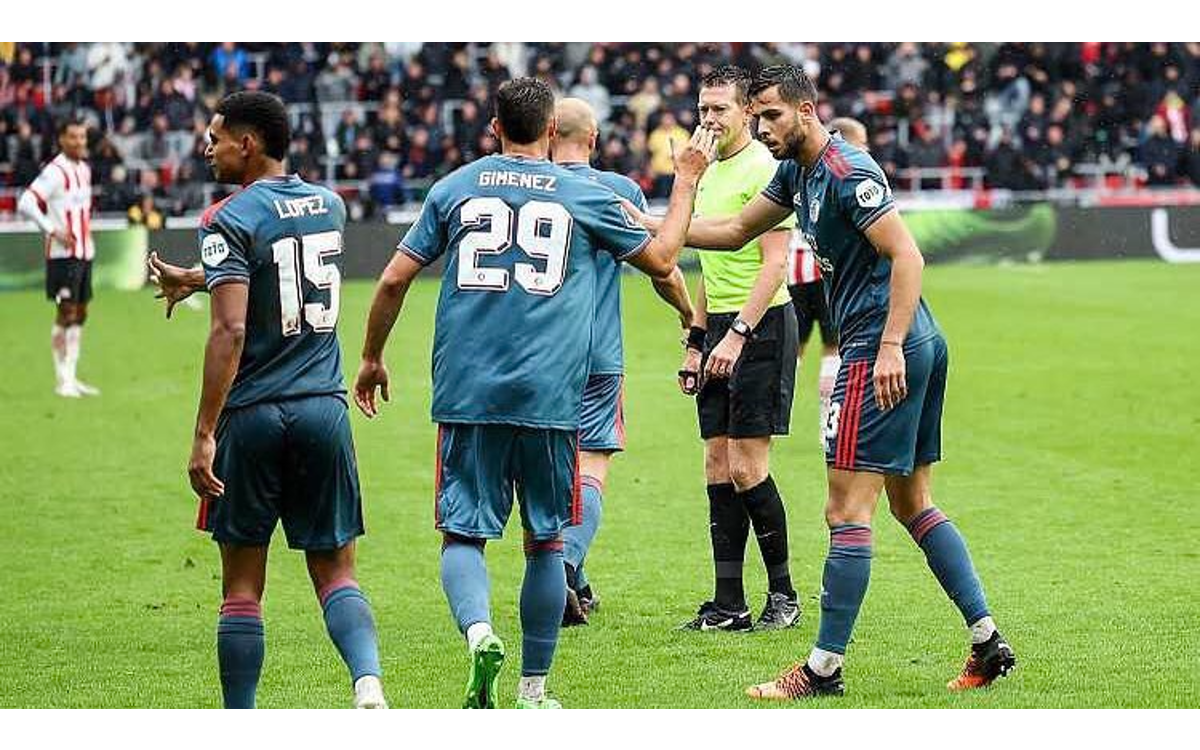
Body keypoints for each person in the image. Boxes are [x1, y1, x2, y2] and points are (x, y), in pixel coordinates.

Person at [632, 65, 1015, 699]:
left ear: (807, 111)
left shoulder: (846, 171)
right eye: (757, 118)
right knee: (911, 503)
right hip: (910, 343)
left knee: (845, 511)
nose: (763, 129)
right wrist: (651, 222)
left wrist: (888, 346)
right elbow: (730, 233)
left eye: (773, 116)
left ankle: (822, 669)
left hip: (881, 348)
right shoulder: (795, 171)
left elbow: (907, 255)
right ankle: (987, 641)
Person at [353, 77, 714, 709]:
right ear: (552, 132)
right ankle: (534, 689)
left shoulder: (456, 187)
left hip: (467, 391)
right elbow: (661, 260)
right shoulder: (583, 191)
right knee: (547, 541)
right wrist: (684, 179)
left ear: (494, 128)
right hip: (553, 392)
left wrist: (371, 357)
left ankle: (480, 634)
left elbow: (392, 279)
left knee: (462, 536)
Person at [161, 91, 387, 710]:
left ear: (249, 143)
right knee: (337, 573)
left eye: (216, 137)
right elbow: (283, 262)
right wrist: (197, 275)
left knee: (241, 589)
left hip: (254, 416)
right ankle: (368, 686)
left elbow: (231, 328)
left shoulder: (224, 218)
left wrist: (204, 431)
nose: (208, 148)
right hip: (322, 408)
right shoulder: (332, 206)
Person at [550, 97, 696, 626]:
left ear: (546, 136)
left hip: (533, 358)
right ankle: (564, 567)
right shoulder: (617, 191)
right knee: (590, 469)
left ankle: (577, 582)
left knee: (548, 474)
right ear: (593, 140)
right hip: (596, 354)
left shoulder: (524, 189)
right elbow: (662, 267)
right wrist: (687, 314)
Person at [678, 66, 802, 633]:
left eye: (719, 110)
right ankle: (729, 603)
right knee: (715, 464)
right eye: (703, 109)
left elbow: (774, 265)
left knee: (748, 467)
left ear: (746, 112)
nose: (708, 119)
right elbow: (710, 266)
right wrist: (696, 338)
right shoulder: (703, 172)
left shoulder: (768, 170)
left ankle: (784, 595)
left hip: (764, 325)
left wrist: (737, 334)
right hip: (722, 330)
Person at [788, 117, 867, 444]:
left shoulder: (803, 169)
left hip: (792, 273)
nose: (866, 148)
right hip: (826, 275)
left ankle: (770, 415)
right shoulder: (844, 170)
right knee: (832, 349)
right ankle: (827, 424)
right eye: (863, 142)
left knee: (794, 351)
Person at [18, 120, 100, 398]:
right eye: (73, 137)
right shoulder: (55, 171)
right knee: (65, 312)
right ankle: (62, 379)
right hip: (62, 255)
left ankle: (72, 376)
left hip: (83, 252)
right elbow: (26, 203)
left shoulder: (84, 170)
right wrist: (52, 229)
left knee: (81, 313)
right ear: (62, 140)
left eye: (82, 137)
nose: (79, 142)